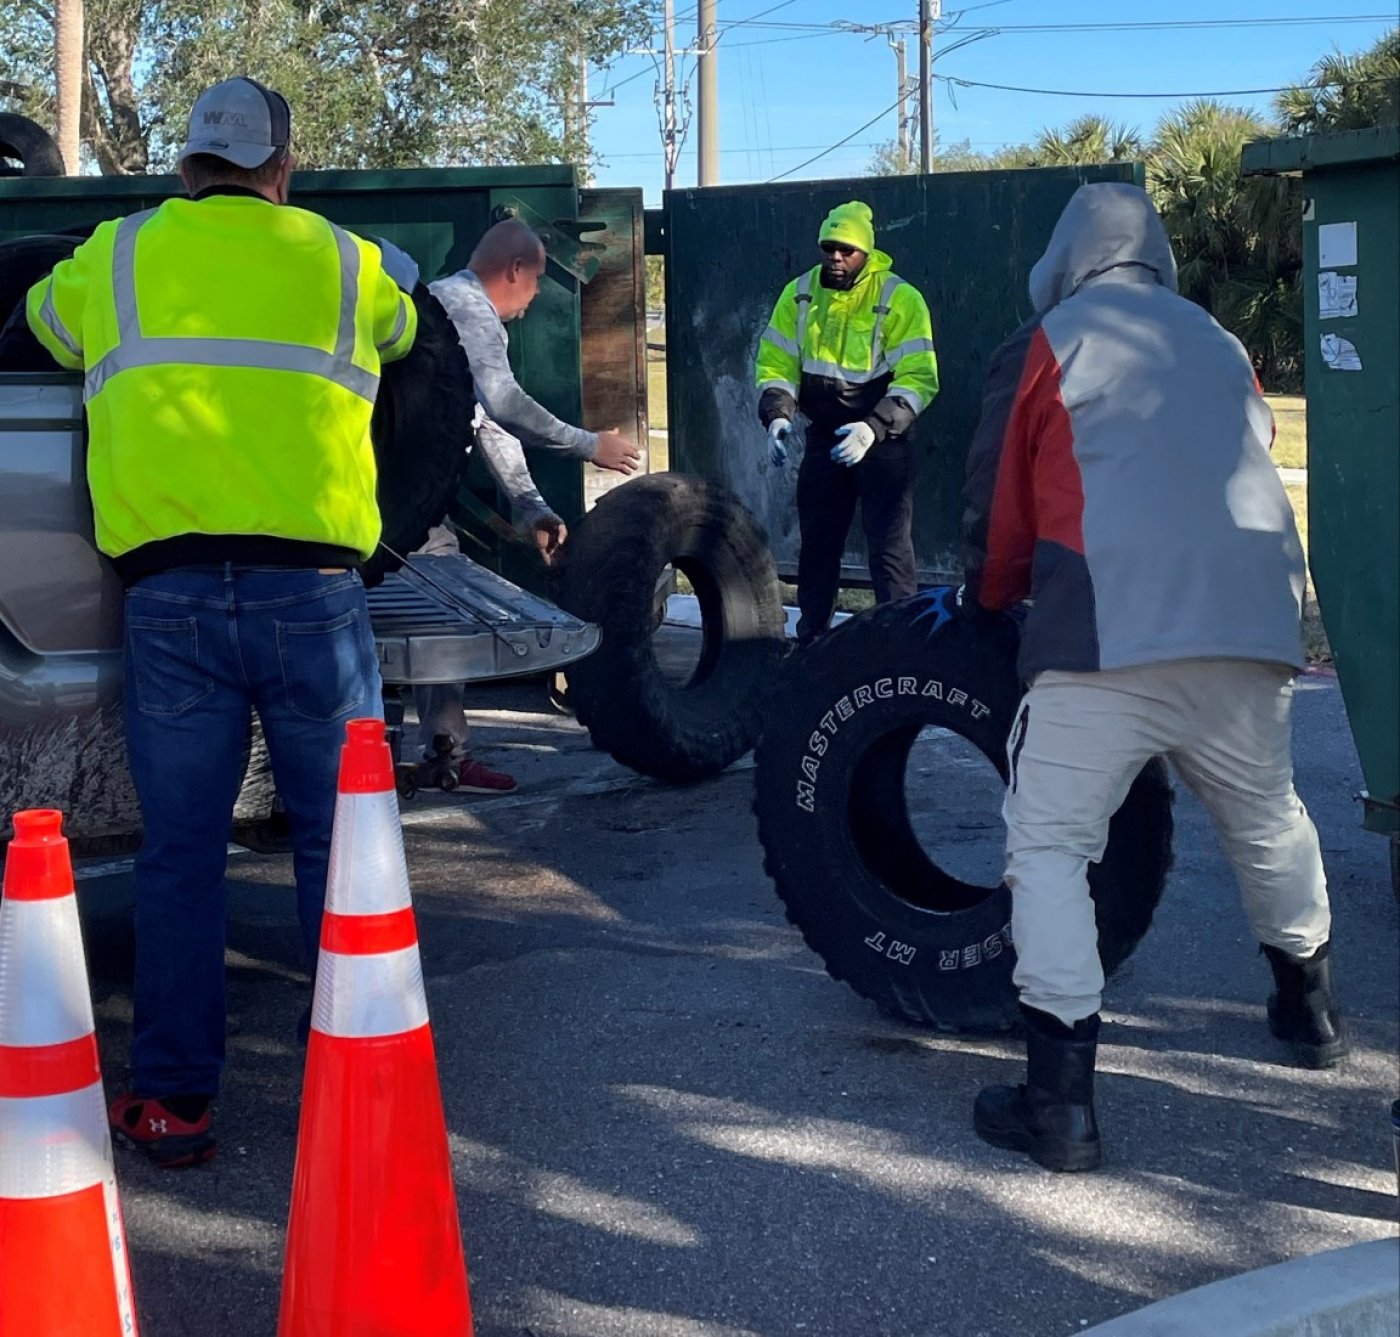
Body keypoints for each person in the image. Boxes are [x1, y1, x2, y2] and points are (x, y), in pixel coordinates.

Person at [25, 76, 417, 1167]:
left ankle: (176, 1104)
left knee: (182, 853)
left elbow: (39, 325)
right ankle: (366, 1098)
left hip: (171, 598)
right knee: (342, 853)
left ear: (187, 167)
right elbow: (406, 323)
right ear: (281, 169)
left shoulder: (115, 254)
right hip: (318, 600)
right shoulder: (342, 259)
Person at [960, 182, 1346, 1174]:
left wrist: (989, 595)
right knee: (1266, 811)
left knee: (1046, 843)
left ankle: (1058, 1105)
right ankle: (1306, 1009)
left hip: (1107, 630)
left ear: (1066, 257)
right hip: (1253, 622)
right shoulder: (1220, 343)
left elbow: (1002, 498)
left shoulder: (1052, 338)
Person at [414, 219, 641, 793]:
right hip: (392, 495)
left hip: (408, 497)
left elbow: (487, 422)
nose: (538, 294)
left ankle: (442, 755)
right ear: (514, 270)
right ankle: (432, 757)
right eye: (537, 279)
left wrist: (533, 507)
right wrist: (593, 445)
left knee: (429, 609)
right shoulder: (464, 307)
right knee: (431, 610)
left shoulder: (453, 309)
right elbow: (506, 403)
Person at [754, 201, 940, 642]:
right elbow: (776, 361)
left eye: (847, 250)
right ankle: (811, 642)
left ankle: (901, 646)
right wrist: (778, 417)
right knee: (817, 546)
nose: (836, 258)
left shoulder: (899, 297)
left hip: (882, 441)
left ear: (866, 253)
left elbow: (920, 377)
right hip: (825, 438)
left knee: (890, 551)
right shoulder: (799, 293)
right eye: (829, 248)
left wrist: (874, 428)